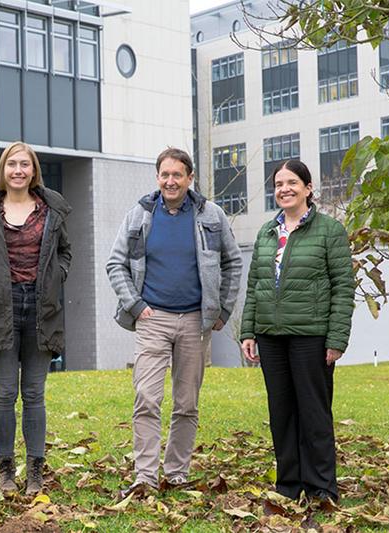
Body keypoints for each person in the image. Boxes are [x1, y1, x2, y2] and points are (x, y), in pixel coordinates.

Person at [107, 147, 243, 496]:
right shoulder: (139, 214)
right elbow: (116, 263)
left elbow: (233, 264)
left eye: (177, 175)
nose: (170, 181)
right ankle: (145, 477)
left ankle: (177, 472)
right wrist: (135, 306)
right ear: (157, 178)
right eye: (164, 175)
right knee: (147, 398)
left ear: (189, 178)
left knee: (186, 403)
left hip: (196, 322)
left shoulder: (210, 215)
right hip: (152, 318)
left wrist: (222, 311)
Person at [239, 159, 354, 504]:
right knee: (281, 413)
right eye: (278, 184)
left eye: (291, 182)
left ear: (308, 188)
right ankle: (288, 487)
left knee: (314, 413)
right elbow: (255, 285)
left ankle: (321, 488)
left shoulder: (329, 231)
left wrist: (336, 339)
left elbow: (343, 287)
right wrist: (248, 331)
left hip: (311, 336)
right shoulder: (266, 232)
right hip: (270, 336)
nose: (284, 189)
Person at [0, 142, 71, 497]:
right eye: (12, 164)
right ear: (3, 170)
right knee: (5, 393)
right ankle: (7, 469)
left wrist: (57, 277)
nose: (19, 171)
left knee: (34, 393)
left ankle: (37, 472)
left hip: (42, 307)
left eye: (25, 164)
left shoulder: (51, 209)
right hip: (2, 308)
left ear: (33, 170)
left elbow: (65, 252)